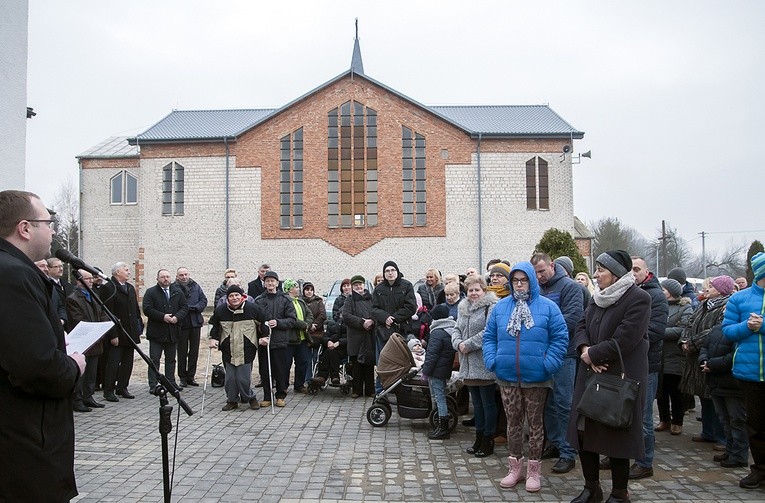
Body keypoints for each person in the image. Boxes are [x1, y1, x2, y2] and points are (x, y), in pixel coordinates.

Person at [0, 190, 85, 501]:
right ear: (25, 228)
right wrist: (73, 365)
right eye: (49, 222)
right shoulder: (11, 275)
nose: (53, 230)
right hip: (23, 444)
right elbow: (37, 367)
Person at [567, 250, 651, 503]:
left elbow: (626, 338)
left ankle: (619, 494)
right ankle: (591, 488)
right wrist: (585, 351)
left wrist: (595, 354)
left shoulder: (639, 298)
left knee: (617, 437)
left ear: (615, 273)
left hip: (619, 377)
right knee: (583, 432)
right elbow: (581, 326)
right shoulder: (597, 297)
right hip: (589, 373)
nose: (596, 274)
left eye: (601, 269)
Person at [484, 262, 568, 493]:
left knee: (535, 425)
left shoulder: (548, 307)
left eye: (524, 280)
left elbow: (560, 338)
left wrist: (547, 364)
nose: (519, 284)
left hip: (536, 377)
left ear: (532, 280)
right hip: (507, 375)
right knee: (513, 424)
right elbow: (489, 337)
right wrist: (493, 360)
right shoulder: (501, 308)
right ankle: (515, 468)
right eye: (515, 280)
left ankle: (534, 471)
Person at [531, 252, 584, 475]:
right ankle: (554, 442)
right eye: (535, 273)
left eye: (542, 271)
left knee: (565, 403)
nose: (539, 276)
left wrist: (540, 327)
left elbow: (572, 319)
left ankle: (568, 452)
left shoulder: (570, 288)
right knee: (547, 403)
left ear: (552, 266)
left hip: (564, 354)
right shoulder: (539, 290)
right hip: (542, 355)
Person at [722, 251, 765, 489]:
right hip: (749, 372)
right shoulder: (739, 299)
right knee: (756, 425)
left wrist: (762, 325)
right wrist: (747, 326)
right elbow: (727, 331)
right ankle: (759, 469)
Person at [680, 275, 734, 447]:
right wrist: (684, 340)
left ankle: (722, 437)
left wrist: (693, 343)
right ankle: (708, 432)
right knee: (703, 396)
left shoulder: (727, 307)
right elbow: (689, 323)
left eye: (711, 286)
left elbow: (715, 331)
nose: (707, 288)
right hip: (696, 357)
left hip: (713, 354)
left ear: (721, 290)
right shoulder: (703, 304)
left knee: (715, 397)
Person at [626, 257, 668, 480]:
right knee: (621, 412)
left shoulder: (656, 296)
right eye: (629, 270)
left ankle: (645, 462)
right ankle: (620, 453)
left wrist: (626, 340)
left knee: (643, 417)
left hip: (646, 364)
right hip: (624, 363)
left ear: (647, 272)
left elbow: (656, 331)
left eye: (637, 269)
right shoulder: (625, 293)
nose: (633, 273)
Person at [452, 275, 498, 457]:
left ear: (484, 290)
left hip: (483, 363)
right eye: (470, 290)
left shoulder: (491, 307)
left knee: (488, 404)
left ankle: (488, 439)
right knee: (477, 405)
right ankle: (478, 437)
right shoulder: (463, 307)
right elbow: (456, 328)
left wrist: (468, 344)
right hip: (467, 365)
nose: (473, 293)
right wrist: (457, 343)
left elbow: (489, 331)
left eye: (477, 290)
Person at [208, 284, 266, 411]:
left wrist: (265, 336)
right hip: (228, 349)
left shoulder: (252, 308)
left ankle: (250, 398)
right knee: (230, 379)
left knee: (243, 378)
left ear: (242, 296)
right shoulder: (221, 310)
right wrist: (212, 338)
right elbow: (214, 325)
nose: (234, 298)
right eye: (231, 296)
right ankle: (232, 400)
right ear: (227, 298)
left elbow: (264, 322)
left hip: (247, 348)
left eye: (236, 295)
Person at [700, 324, 749, 468]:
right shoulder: (717, 329)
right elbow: (705, 347)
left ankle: (739, 454)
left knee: (737, 420)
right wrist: (703, 361)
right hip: (715, 382)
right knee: (724, 420)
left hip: (733, 384)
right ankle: (730, 450)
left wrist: (712, 364)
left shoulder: (742, 330)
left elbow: (735, 354)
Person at [66, 269, 114, 412]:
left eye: (91, 279)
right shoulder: (73, 298)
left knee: (92, 371)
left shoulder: (94, 295)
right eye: (87, 279)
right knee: (82, 373)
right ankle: (77, 399)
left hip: (96, 339)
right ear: (79, 281)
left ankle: (88, 396)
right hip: (83, 340)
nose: (91, 281)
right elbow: (77, 319)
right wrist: (94, 329)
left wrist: (104, 327)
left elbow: (102, 313)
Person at [100, 262, 143, 402]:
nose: (129, 272)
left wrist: (138, 328)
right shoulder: (109, 288)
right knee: (113, 362)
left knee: (127, 362)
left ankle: (122, 387)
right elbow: (107, 313)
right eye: (126, 270)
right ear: (117, 272)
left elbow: (135, 310)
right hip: (117, 333)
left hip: (130, 332)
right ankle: (109, 390)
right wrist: (113, 334)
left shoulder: (130, 288)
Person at [655, 278, 693, 436]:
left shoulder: (685, 308)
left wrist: (659, 332)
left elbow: (683, 330)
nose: (661, 292)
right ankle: (664, 419)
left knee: (675, 391)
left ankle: (677, 421)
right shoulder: (659, 306)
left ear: (671, 292)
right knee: (661, 391)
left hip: (675, 356)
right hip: (659, 355)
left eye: (663, 289)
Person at [254, 270, 296, 407]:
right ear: (264, 283)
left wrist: (278, 323)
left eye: (272, 281)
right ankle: (267, 396)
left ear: (277, 283)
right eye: (267, 281)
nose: (270, 283)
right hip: (264, 342)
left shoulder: (285, 299)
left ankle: (280, 395)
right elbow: (254, 320)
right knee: (265, 370)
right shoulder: (258, 300)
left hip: (280, 341)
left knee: (280, 370)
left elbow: (292, 320)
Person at [142, 269, 188, 393]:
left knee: (171, 359)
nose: (165, 279)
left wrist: (177, 317)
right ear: (157, 279)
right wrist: (163, 317)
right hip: (156, 333)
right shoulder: (151, 292)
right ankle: (153, 384)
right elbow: (147, 309)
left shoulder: (177, 292)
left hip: (173, 331)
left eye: (167, 276)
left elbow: (184, 307)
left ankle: (171, 382)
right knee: (154, 360)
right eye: (162, 277)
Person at [422, 304, 456, 440]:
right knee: (441, 396)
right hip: (444, 369)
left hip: (436, 371)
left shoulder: (437, 332)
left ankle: (443, 428)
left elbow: (432, 354)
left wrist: (425, 371)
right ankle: (441, 425)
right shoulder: (450, 329)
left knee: (439, 398)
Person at [342, 275, 376, 398]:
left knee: (369, 364)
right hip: (355, 336)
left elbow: (376, 312)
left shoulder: (370, 298)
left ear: (364, 285)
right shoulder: (349, 300)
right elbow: (346, 315)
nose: (358, 287)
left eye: (360, 284)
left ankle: (370, 390)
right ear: (352, 287)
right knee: (356, 364)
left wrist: (371, 321)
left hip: (369, 335)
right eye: (356, 285)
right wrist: (362, 322)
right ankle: (356, 390)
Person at [175, 267, 207, 387]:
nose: (184, 277)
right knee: (182, 352)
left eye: (185, 274)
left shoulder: (196, 286)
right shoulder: (174, 288)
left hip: (195, 322)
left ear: (189, 274)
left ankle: (191, 376)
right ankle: (182, 377)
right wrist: (185, 309)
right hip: (182, 323)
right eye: (181, 275)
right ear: (177, 276)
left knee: (194, 351)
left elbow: (203, 300)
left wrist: (196, 307)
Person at [283, 278, 313, 393]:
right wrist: (303, 325)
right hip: (290, 338)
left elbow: (309, 314)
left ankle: (299, 385)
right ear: (289, 289)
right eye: (295, 287)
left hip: (302, 338)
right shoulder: (285, 301)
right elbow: (291, 319)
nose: (298, 289)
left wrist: (307, 325)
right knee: (286, 364)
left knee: (303, 361)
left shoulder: (300, 301)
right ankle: (284, 386)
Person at [302, 281, 327, 384]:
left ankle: (315, 377)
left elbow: (322, 315)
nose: (309, 292)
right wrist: (308, 325)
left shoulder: (318, 301)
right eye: (307, 290)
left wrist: (315, 325)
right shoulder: (301, 302)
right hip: (305, 333)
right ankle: (307, 379)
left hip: (317, 333)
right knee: (306, 358)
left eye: (311, 290)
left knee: (316, 358)